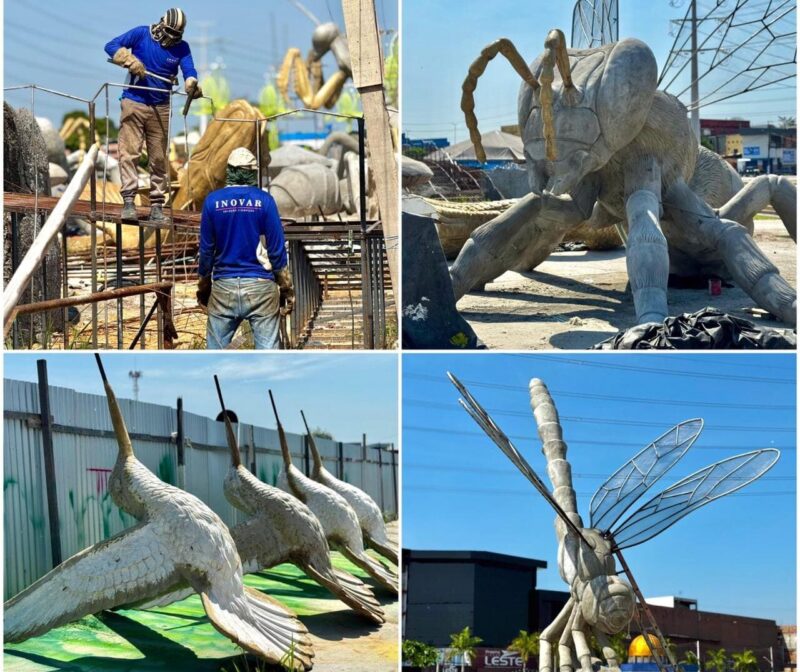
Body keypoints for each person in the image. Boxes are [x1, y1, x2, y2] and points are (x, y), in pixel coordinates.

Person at [105, 8, 202, 224]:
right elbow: (110, 45)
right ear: (161, 25)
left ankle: (157, 205)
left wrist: (191, 83)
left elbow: (189, 69)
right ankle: (129, 201)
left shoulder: (182, 48)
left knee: (158, 158)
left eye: (176, 34)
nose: (172, 38)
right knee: (129, 152)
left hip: (161, 106)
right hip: (134, 102)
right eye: (169, 32)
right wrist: (128, 59)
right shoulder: (141, 34)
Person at [197, 148, 295, 349]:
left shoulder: (212, 202)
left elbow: (206, 251)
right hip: (261, 288)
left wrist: (204, 288)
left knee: (215, 358)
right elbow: (277, 250)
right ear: (252, 172)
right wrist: (286, 288)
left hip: (223, 287)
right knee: (267, 359)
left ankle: (218, 380)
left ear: (229, 171)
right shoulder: (265, 201)